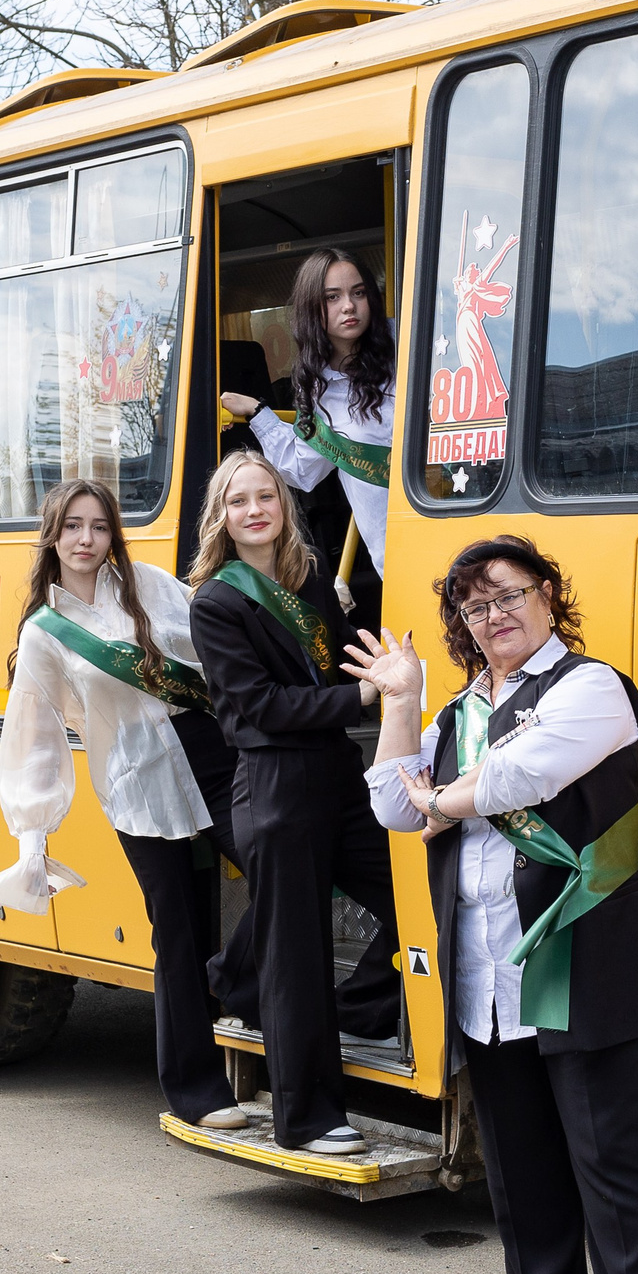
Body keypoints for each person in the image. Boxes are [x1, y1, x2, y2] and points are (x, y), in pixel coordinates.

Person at [348, 535, 638, 1274]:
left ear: (547, 596)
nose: (493, 615)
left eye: (507, 595)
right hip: (486, 968)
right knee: (520, 1165)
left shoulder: (592, 688)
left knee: (612, 1163)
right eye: (473, 606)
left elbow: (522, 775)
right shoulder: (460, 709)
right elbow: (394, 803)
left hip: (583, 960)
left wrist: (440, 800)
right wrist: (403, 702)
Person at [0, 479, 249, 1129]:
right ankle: (196, 1090)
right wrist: (33, 840)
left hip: (208, 753)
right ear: (52, 533)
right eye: (73, 526)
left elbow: (215, 631)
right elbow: (35, 738)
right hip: (133, 778)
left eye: (99, 527)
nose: (86, 539)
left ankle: (234, 979)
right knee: (175, 929)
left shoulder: (148, 583)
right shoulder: (44, 634)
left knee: (279, 865)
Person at [187, 450, 403, 1156]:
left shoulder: (308, 579)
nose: (255, 509)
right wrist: (360, 696)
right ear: (221, 517)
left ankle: (359, 1009)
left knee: (412, 893)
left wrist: (379, 663)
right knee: (298, 953)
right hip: (276, 787)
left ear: (282, 504)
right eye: (239, 500)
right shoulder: (217, 601)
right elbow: (257, 708)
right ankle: (307, 1118)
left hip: (339, 777)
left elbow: (341, 657)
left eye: (266, 496)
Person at [219, 250, 395, 598]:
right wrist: (258, 413)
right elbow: (303, 469)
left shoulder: (410, 344)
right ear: (312, 308)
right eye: (333, 297)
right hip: (393, 552)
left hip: (451, 511)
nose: (349, 306)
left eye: (359, 293)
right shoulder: (317, 386)